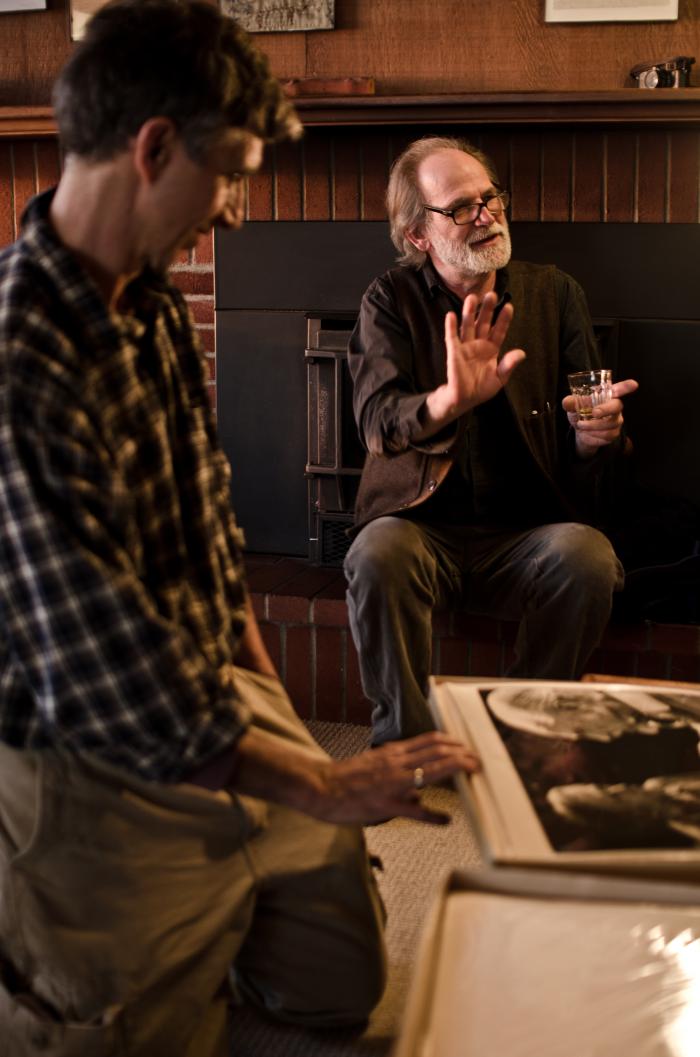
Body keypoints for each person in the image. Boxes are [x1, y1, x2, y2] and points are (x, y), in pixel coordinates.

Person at [0, 8, 477, 1055]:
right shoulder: (18, 353)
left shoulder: (154, 310)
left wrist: (284, 725)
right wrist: (314, 778)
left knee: (340, 983)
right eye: (231, 175)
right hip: (87, 755)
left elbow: (212, 548)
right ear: (154, 146)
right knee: (132, 1026)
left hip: (211, 694)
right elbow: (102, 668)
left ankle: (214, 924)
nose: (239, 214)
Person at [344, 135, 639, 746]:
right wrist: (449, 400)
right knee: (377, 554)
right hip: (418, 527)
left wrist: (594, 436)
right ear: (418, 235)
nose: (486, 214)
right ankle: (406, 745)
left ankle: (519, 738)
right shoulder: (389, 300)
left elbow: (589, 433)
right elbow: (377, 423)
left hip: (523, 536)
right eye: (460, 207)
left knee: (587, 556)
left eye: (490, 198)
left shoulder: (555, 293)